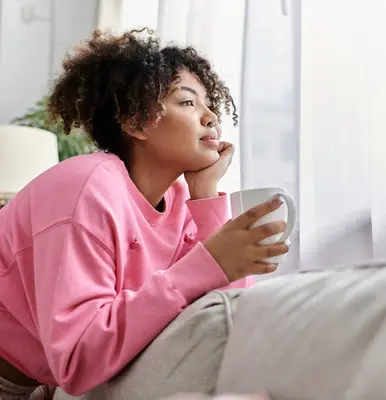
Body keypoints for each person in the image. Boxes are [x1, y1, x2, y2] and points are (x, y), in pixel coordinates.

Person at [0, 29, 290, 399]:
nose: (210, 116)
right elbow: (77, 359)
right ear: (135, 122)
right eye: (187, 102)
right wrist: (205, 263)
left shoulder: (180, 200)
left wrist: (204, 197)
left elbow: (219, 326)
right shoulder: (87, 187)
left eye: (208, 102)